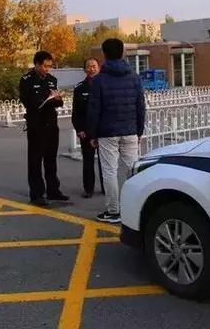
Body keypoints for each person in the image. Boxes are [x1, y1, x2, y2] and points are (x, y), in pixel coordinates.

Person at [87, 38, 146, 223]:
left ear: (104, 54)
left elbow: (94, 109)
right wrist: (139, 131)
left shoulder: (98, 80)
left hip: (107, 133)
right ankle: (138, 207)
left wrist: (92, 134)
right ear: (122, 53)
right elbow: (140, 106)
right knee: (133, 170)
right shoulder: (134, 77)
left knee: (110, 172)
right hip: (130, 130)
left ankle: (113, 211)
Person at [19, 51, 69, 206]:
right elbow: (29, 102)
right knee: (35, 160)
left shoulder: (51, 80)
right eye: (45, 66)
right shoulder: (26, 80)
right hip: (36, 125)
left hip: (51, 124)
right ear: (37, 64)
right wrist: (47, 100)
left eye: (50, 66)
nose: (48, 69)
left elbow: (58, 103)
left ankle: (53, 190)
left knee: (51, 159)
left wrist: (57, 99)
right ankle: (37, 194)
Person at [71, 58, 105, 198]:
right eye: (88, 67)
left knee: (105, 161)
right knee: (88, 161)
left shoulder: (105, 85)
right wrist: (79, 129)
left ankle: (106, 187)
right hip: (86, 131)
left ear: (99, 68)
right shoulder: (80, 88)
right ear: (85, 69)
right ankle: (88, 189)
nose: (91, 69)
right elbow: (76, 112)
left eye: (94, 66)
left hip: (103, 130)